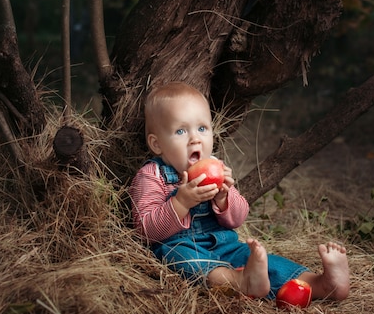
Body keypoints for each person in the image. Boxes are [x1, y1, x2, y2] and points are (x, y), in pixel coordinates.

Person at [130, 81, 350, 301]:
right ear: (157, 144)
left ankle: (320, 284)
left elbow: (238, 218)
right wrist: (181, 203)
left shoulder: (215, 167)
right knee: (180, 257)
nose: (195, 138)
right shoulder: (152, 176)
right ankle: (239, 282)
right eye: (180, 131)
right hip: (182, 246)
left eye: (202, 128)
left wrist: (224, 197)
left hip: (227, 247)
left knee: (265, 263)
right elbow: (145, 230)